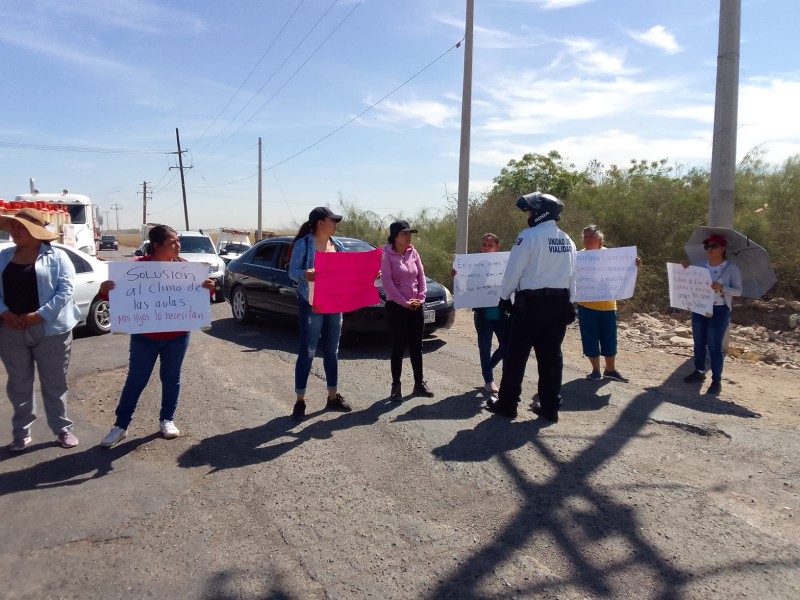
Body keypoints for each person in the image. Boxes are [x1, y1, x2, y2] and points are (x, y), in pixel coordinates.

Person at [98, 225, 215, 447]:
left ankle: (167, 420)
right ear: (156, 246)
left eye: (178, 241)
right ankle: (120, 426)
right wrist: (104, 289)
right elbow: (112, 296)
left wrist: (209, 287)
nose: (178, 246)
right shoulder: (137, 269)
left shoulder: (186, 269)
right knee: (136, 380)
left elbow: (200, 296)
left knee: (171, 379)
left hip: (178, 336)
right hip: (145, 337)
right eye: (173, 242)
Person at [486, 192, 576, 422]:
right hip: (559, 304)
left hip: (531, 305)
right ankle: (550, 407)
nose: (529, 215)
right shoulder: (568, 240)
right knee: (551, 358)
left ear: (540, 212)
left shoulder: (528, 236)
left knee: (516, 356)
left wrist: (504, 296)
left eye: (531, 211)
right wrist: (571, 303)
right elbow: (573, 275)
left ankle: (507, 404)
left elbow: (514, 271)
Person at [0, 207, 81, 451]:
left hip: (52, 331)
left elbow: (65, 291)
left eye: (20, 228)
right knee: (19, 383)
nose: (15, 232)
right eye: (13, 227)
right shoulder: (3, 257)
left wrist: (40, 315)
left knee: (55, 383)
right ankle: (21, 433)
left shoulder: (57, 257)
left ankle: (62, 430)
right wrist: (4, 312)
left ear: (36, 232)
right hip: (11, 330)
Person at [288, 207, 352, 421]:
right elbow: (291, 272)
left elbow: (347, 271)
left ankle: (332, 396)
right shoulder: (304, 244)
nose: (336, 224)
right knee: (308, 351)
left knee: (332, 352)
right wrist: (305, 274)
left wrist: (370, 273)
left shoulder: (338, 245)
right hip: (311, 304)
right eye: (332, 220)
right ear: (320, 223)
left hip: (334, 303)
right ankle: (300, 401)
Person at [682, 234, 742, 395]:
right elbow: (689, 281)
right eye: (707, 246)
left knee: (715, 346)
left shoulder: (731, 269)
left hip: (720, 310)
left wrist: (722, 288)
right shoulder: (700, 266)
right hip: (700, 308)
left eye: (713, 246)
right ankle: (699, 371)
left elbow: (738, 291)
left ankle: (716, 381)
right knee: (699, 342)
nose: (709, 249)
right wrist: (685, 269)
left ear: (723, 249)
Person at [382, 220, 434, 401]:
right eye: (404, 234)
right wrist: (404, 302)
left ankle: (419, 383)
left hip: (415, 306)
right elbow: (387, 283)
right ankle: (396, 386)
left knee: (416, 346)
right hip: (397, 307)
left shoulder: (413, 252)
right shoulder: (387, 255)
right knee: (398, 346)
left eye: (410, 233)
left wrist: (420, 298)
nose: (408, 237)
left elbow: (421, 276)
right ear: (395, 236)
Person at [451, 233, 510, 393]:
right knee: (485, 347)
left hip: (502, 314)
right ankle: (488, 380)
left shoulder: (506, 264)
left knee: (506, 346)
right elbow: (467, 288)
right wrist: (456, 278)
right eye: (484, 245)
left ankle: (488, 367)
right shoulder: (474, 265)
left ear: (498, 247)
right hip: (483, 315)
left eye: (490, 245)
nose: (486, 248)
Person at [576, 224, 634, 383]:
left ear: (599, 239)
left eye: (591, 236)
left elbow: (624, 273)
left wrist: (634, 264)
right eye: (585, 237)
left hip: (608, 306)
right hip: (586, 306)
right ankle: (595, 370)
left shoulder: (611, 256)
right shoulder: (578, 257)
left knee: (610, 338)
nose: (588, 240)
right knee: (590, 338)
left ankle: (611, 370)